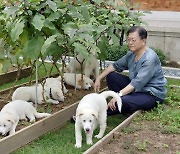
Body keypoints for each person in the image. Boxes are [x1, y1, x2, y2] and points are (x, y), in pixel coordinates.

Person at [94, 26, 167, 115]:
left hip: (151, 94)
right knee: (111, 76)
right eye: (128, 40)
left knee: (123, 101)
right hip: (136, 90)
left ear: (143, 41)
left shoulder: (149, 59)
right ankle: (128, 102)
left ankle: (94, 115)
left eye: (133, 40)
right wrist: (99, 78)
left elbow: (137, 83)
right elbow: (115, 66)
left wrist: (118, 95)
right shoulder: (132, 54)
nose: (130, 43)